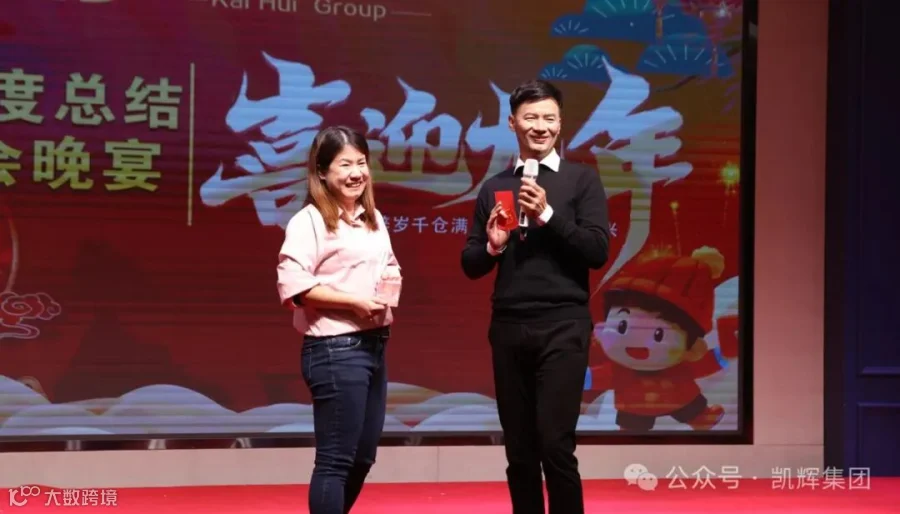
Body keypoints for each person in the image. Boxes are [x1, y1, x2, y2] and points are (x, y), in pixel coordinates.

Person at [460, 79, 610, 514]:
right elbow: (471, 263)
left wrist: (547, 214)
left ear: (560, 124)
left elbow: (597, 251)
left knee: (555, 444)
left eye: (549, 118)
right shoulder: (495, 186)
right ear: (512, 123)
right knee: (520, 450)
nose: (540, 127)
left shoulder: (582, 180)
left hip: (564, 325)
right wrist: (494, 246)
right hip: (509, 328)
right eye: (530, 118)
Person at [276, 126, 401, 514]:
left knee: (363, 457)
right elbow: (294, 284)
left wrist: (388, 287)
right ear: (322, 171)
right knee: (335, 461)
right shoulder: (310, 221)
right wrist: (353, 302)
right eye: (345, 164)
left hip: (374, 346)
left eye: (361, 163)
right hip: (334, 349)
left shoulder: (373, 218)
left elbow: (389, 264)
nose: (356, 173)